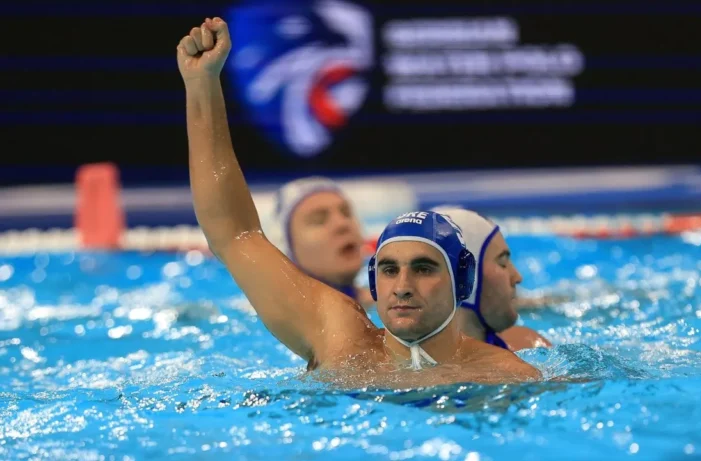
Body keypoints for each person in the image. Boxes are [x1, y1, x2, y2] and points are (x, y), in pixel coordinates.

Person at [177, 17, 540, 387]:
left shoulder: (507, 374)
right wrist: (202, 83)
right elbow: (234, 234)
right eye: (388, 270)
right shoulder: (342, 341)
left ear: (462, 281)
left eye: (423, 268)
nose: (402, 286)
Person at [432, 206, 553, 351]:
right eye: (502, 263)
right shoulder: (527, 352)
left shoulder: (530, 345)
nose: (517, 277)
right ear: (465, 277)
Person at [267, 176, 371, 303]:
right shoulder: (269, 314)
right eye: (319, 220)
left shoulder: (384, 303)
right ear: (287, 248)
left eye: (346, 213)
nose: (343, 224)